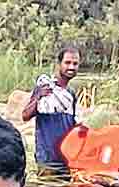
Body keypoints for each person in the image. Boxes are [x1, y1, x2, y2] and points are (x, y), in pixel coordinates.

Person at [21, 46, 82, 178]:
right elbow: (25, 115)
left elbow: (75, 127)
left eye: (75, 64)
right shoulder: (45, 88)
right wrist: (39, 96)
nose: (71, 67)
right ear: (59, 64)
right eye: (67, 63)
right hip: (48, 162)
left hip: (68, 161)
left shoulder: (70, 94)